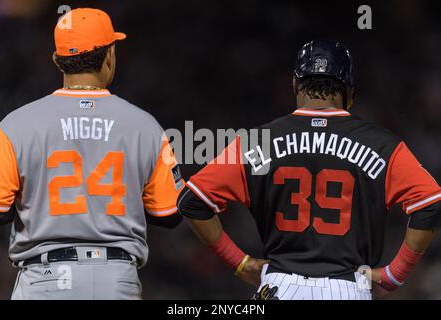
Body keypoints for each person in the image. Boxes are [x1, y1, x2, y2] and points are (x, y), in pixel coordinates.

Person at [177, 40, 441, 300]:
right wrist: (395, 274)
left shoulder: (256, 143)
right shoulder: (383, 146)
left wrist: (240, 263)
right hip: (347, 288)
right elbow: (429, 204)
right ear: (350, 93)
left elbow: (193, 201)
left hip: (280, 286)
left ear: (294, 84)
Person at [0, 8, 184, 300]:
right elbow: (170, 214)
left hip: (43, 279)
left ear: (57, 60)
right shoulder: (145, 126)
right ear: (109, 55)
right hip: (116, 278)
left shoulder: (15, 125)